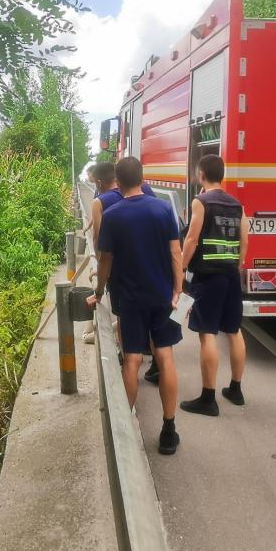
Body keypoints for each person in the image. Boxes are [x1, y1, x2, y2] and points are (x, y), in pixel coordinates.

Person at [88, 157, 183, 455]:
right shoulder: (163, 209)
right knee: (165, 356)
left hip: (129, 299)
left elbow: (105, 260)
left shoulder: (112, 215)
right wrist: (178, 289)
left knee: (131, 360)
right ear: (142, 179)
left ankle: (125, 431)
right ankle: (169, 430)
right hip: (162, 296)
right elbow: (175, 252)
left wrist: (99, 292)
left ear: (117, 181)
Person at [178, 154, 249, 416]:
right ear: (222, 175)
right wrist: (237, 265)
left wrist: (181, 267)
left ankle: (208, 398)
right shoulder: (237, 204)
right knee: (234, 330)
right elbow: (244, 239)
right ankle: (236, 389)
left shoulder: (201, 202)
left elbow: (192, 239)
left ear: (201, 175)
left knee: (207, 332)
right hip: (230, 274)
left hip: (208, 276)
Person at [83, 161, 121, 345]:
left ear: (98, 182)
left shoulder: (100, 201)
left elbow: (99, 240)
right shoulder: (132, 193)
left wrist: (100, 272)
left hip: (117, 271)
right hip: (145, 269)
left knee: (124, 315)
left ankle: (123, 352)